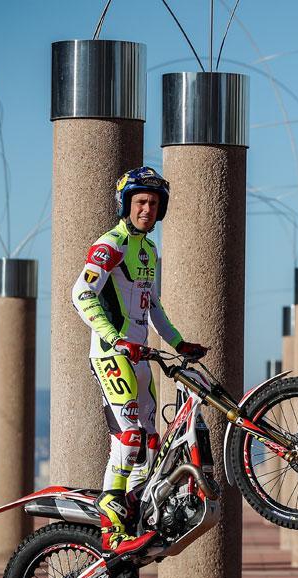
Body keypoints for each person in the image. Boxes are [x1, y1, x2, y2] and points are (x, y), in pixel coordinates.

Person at [72, 166, 207, 554]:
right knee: (128, 437)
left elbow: (152, 305)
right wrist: (114, 339)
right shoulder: (111, 244)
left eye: (154, 203)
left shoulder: (148, 250)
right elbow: (81, 293)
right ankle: (111, 523)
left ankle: (133, 514)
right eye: (140, 202)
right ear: (126, 205)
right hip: (113, 355)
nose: (147, 209)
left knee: (150, 443)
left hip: (142, 355)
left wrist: (180, 343)